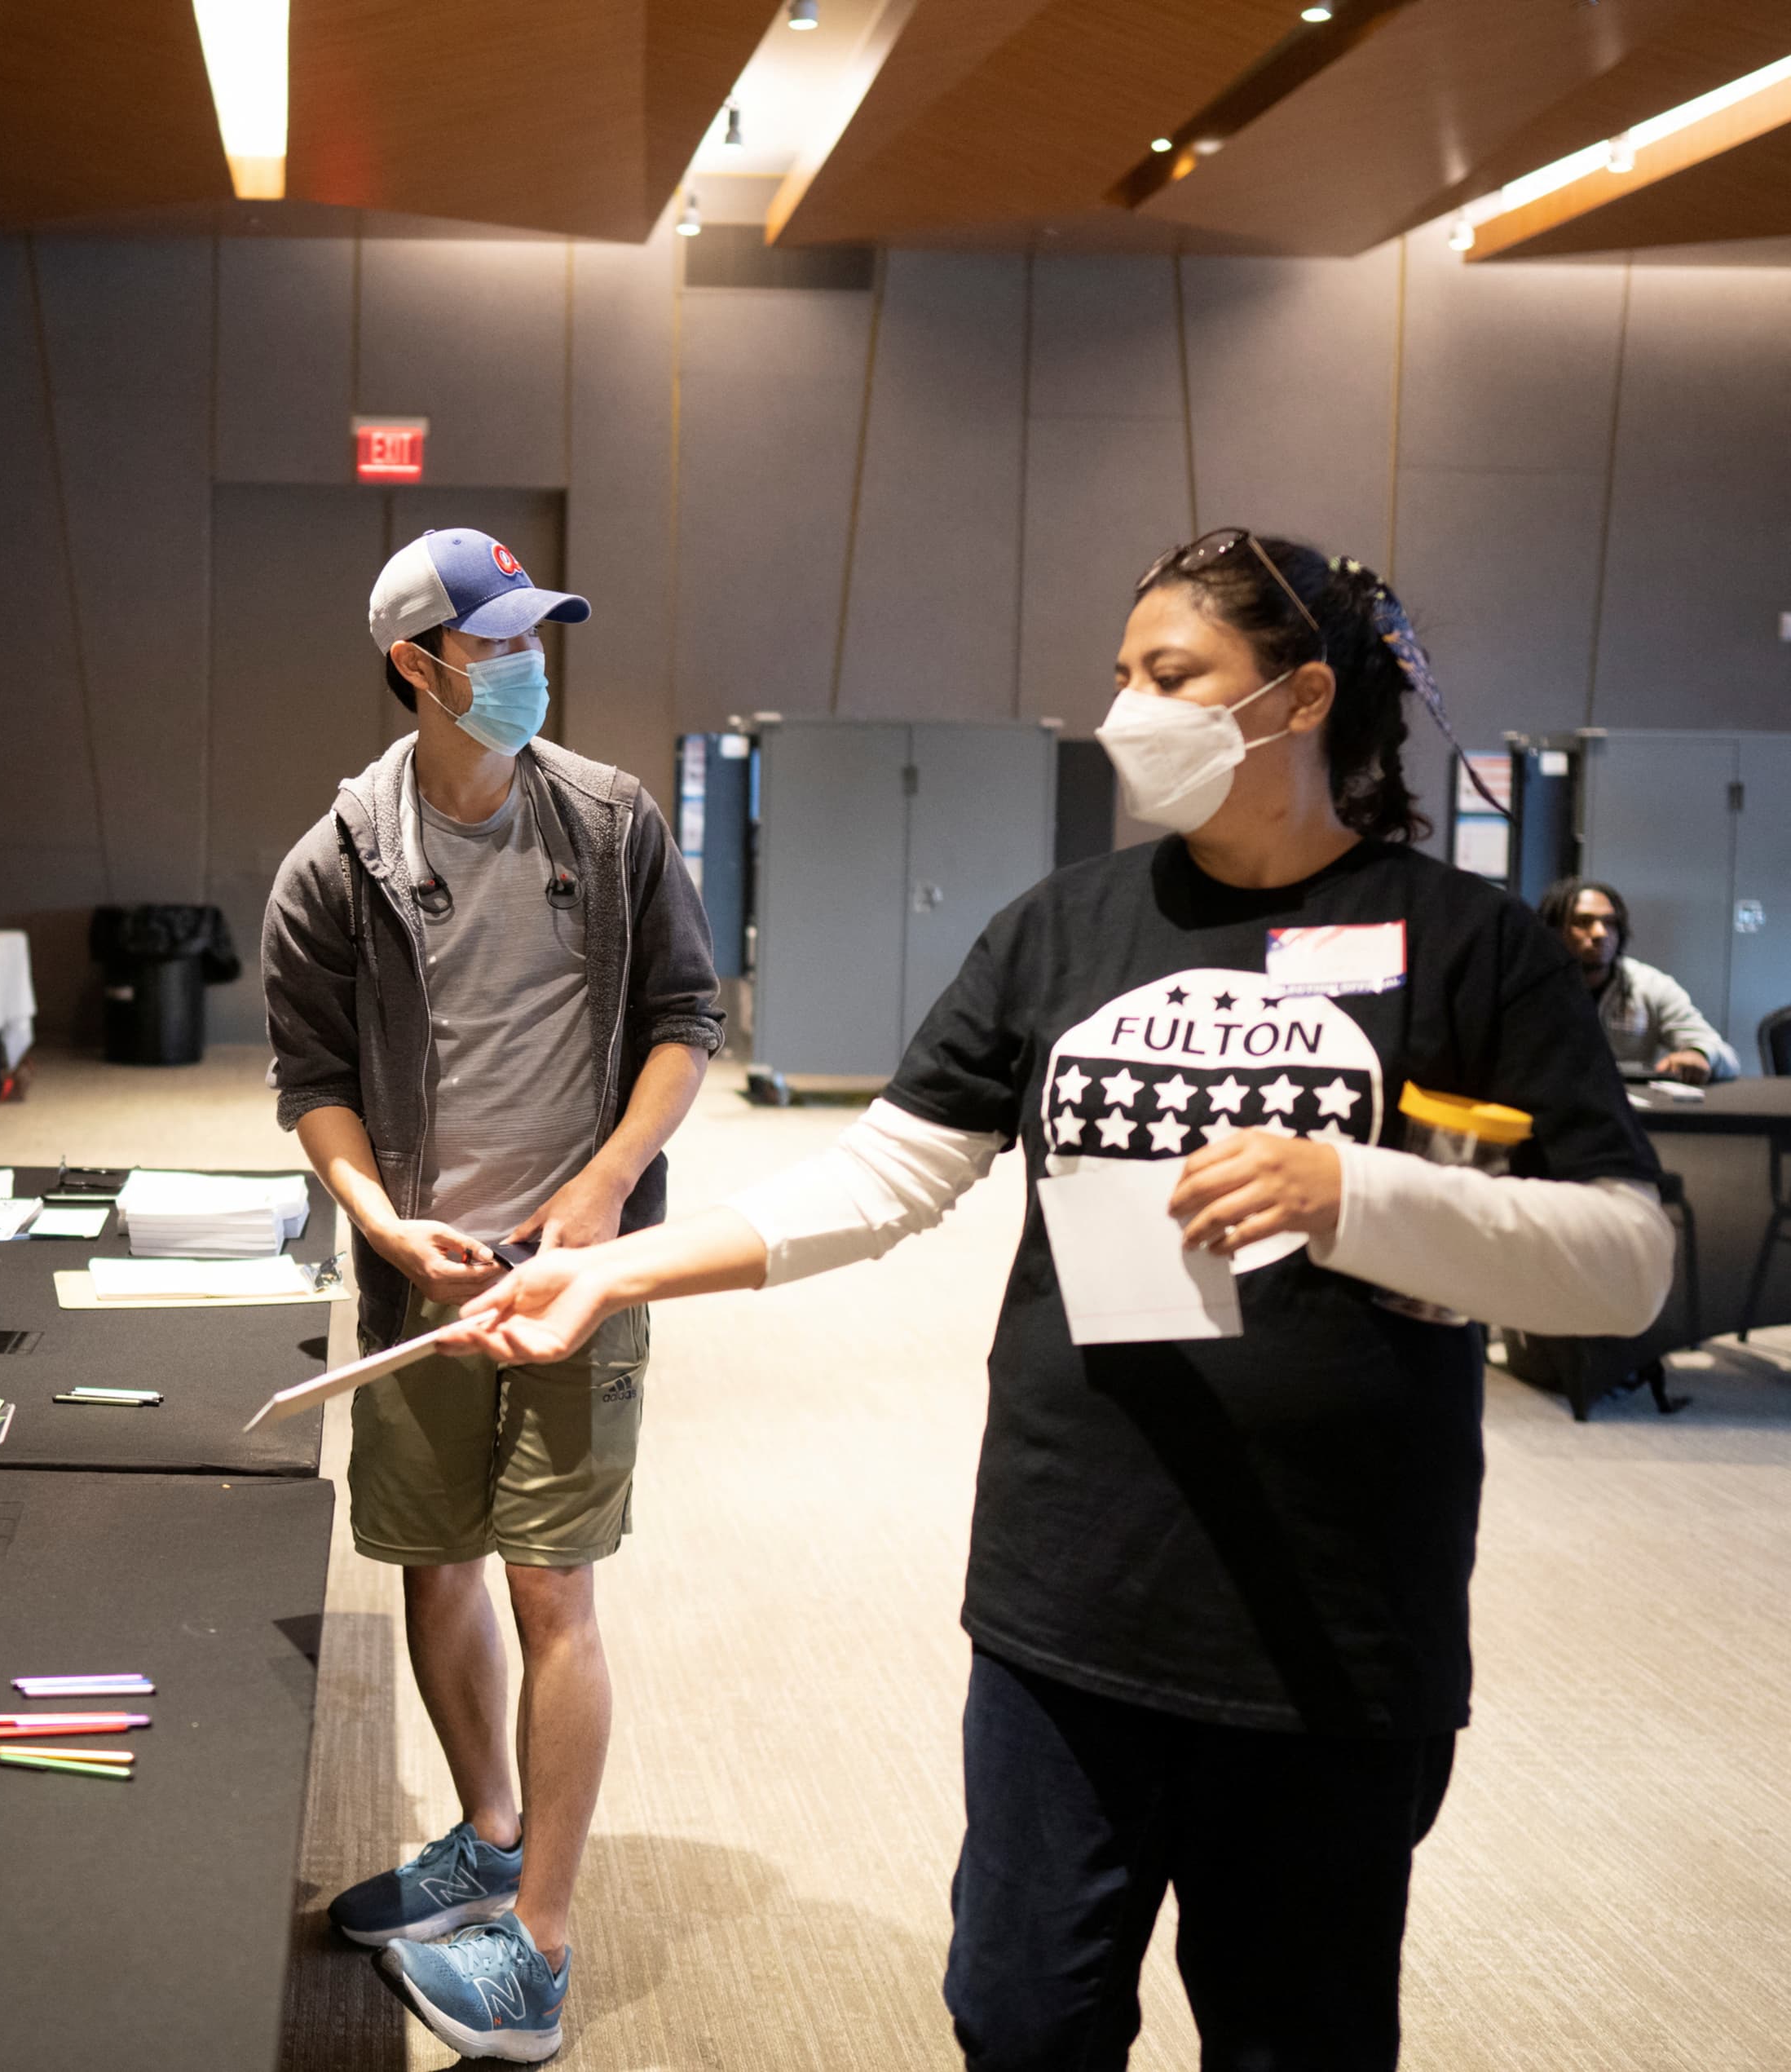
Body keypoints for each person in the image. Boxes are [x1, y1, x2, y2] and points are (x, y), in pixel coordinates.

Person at [448, 531, 1676, 2071]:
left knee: (1296, 2031)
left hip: (1334, 1624)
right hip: (1068, 1594)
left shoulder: (1473, 946)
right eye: (1119, 677)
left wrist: (1359, 1194)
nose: (1128, 712)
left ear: (1298, 701)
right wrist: (608, 1266)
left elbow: (1628, 1258)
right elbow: (879, 1184)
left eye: (1173, 678)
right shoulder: (1064, 927)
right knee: (1021, 2019)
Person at [260, 526, 721, 2061]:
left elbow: (681, 1019)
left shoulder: (610, 817)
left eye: (536, 637)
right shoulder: (332, 865)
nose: (528, 664)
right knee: (435, 1558)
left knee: (553, 1583)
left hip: (577, 1278)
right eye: (498, 642)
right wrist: (384, 1222)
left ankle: (540, 1941)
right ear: (418, 667)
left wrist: (599, 1193)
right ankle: (488, 1830)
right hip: (425, 1282)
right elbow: (313, 1078)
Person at [1537, 876, 1739, 1084]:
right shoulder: (1529, 985)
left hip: (1628, 1110)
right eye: (1583, 922)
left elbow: (1725, 1055)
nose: (1600, 933)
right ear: (1554, 930)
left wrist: (1699, 1055)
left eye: (1611, 923)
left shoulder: (1650, 986)